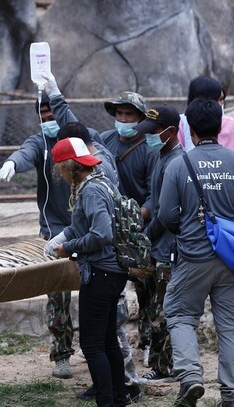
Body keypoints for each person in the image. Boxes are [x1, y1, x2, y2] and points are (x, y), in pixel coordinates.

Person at [158, 98, 234, 407]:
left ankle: (190, 377)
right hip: (232, 259)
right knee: (232, 327)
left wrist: (188, 226)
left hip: (192, 257)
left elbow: (165, 214)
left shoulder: (179, 163)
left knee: (179, 315)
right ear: (221, 126)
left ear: (188, 127)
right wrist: (229, 219)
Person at [55, 122, 142, 402]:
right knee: (107, 341)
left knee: (92, 345)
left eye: (60, 169)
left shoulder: (91, 190)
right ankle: (119, 403)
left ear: (70, 167)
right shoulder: (100, 181)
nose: (59, 174)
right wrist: (65, 235)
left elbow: (101, 234)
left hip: (102, 272)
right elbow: (87, 225)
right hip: (111, 271)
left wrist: (68, 247)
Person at [178, 75, 234, 356]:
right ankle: (232, 339)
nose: (221, 106)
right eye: (218, 100)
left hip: (208, 217)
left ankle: (230, 337)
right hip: (217, 216)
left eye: (222, 100)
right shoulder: (183, 125)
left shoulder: (232, 127)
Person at [0, 82, 76, 379]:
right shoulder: (40, 142)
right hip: (54, 231)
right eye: (42, 115)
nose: (48, 120)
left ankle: (102, 348)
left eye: (52, 113)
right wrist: (12, 163)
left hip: (85, 227)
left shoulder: (80, 141)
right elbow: (25, 152)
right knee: (58, 294)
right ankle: (61, 355)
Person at [101, 91, 158, 363]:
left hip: (141, 229)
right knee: (112, 288)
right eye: (120, 114)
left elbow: (155, 193)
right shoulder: (104, 141)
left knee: (147, 288)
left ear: (140, 118)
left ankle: (147, 342)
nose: (123, 119)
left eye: (129, 115)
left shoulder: (149, 147)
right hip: (108, 229)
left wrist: (136, 217)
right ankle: (112, 343)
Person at [135, 105, 184, 383]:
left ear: (171, 132)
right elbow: (154, 200)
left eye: (153, 132)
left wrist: (144, 236)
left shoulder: (175, 161)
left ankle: (166, 368)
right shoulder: (161, 156)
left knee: (163, 312)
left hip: (168, 249)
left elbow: (165, 214)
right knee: (154, 309)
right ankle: (159, 365)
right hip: (158, 247)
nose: (149, 137)